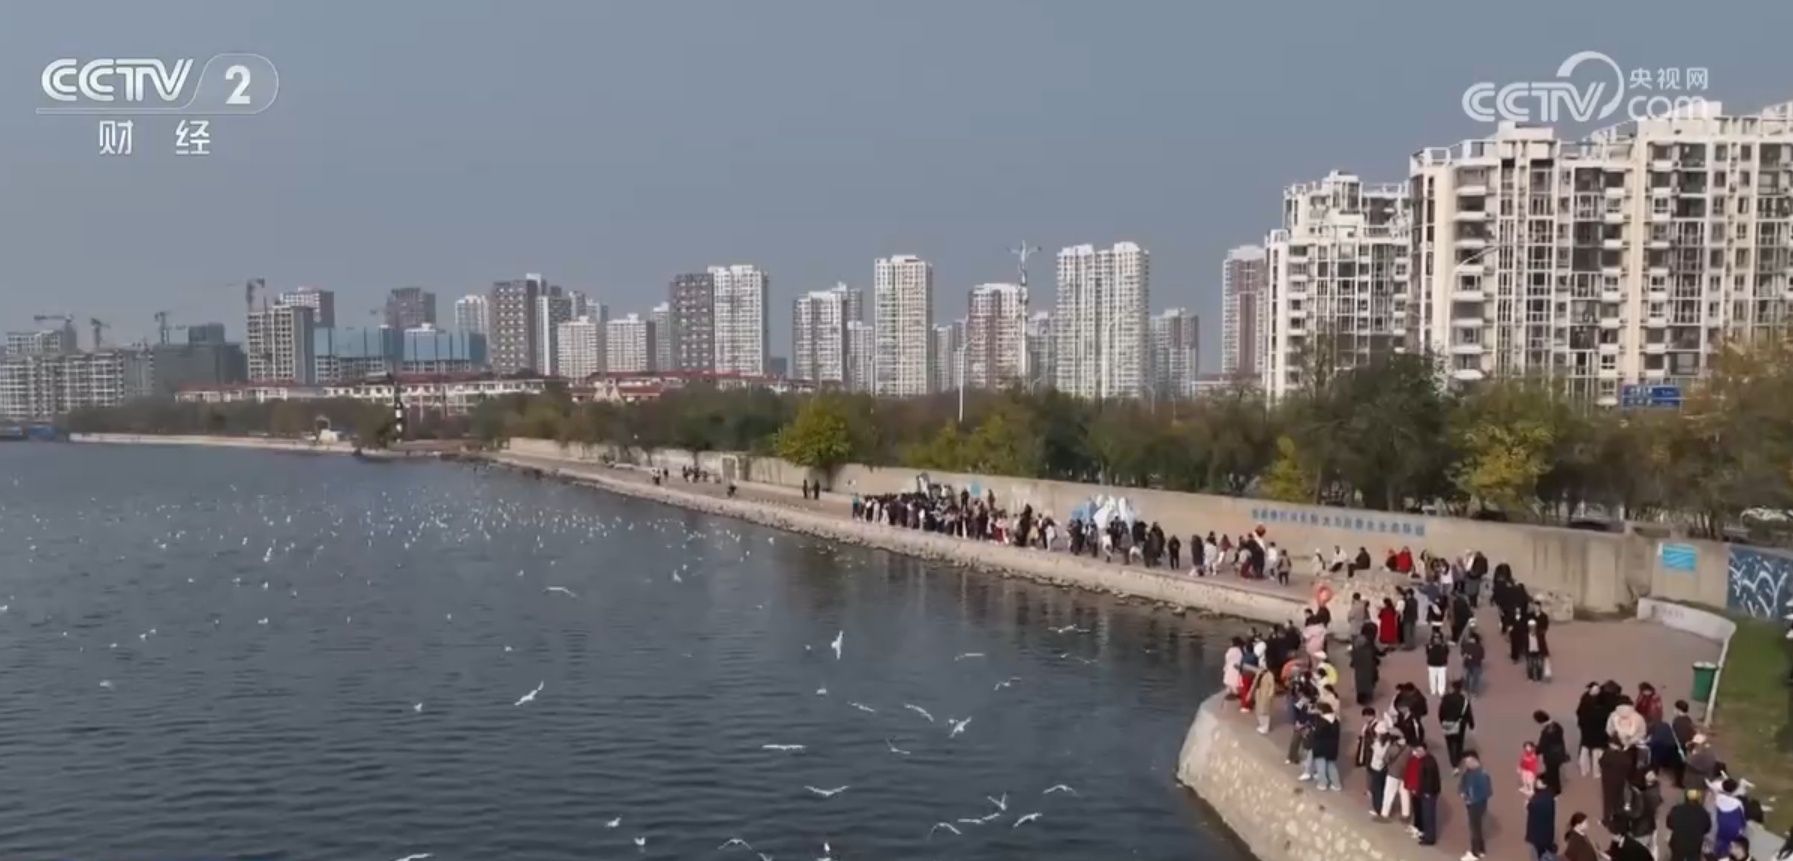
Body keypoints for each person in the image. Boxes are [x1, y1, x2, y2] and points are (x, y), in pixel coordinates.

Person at [1459, 750, 1493, 861]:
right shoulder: (1469, 772)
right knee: (1477, 828)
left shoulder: (1482, 775)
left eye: (1468, 762)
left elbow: (1487, 792)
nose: (1466, 765)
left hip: (1477, 805)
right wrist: (1462, 792)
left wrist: (1472, 799)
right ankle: (1481, 850)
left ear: (1475, 760)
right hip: (1472, 803)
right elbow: (1463, 783)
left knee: (1474, 829)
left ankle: (1475, 853)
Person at [1303, 704, 1343, 791]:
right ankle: (1336, 784)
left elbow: (1318, 733)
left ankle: (1322, 783)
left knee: (1320, 765)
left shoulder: (1322, 721)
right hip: (1332, 747)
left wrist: (1312, 730)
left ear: (1322, 710)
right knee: (1331, 765)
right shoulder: (1335, 720)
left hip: (1321, 746)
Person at [1439, 679, 1475, 772]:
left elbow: (1441, 711)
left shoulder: (1446, 698)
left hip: (1447, 723)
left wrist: (1442, 721)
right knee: (1459, 742)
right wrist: (1471, 724)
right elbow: (1468, 713)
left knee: (1450, 742)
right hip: (1460, 724)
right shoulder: (1464, 700)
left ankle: (1453, 761)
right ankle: (1457, 759)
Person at [1665, 788, 1710, 861]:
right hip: (1695, 845)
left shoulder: (1676, 809)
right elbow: (1707, 828)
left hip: (1677, 843)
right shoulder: (1704, 813)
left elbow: (1669, 824)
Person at [1413, 744, 1444, 846]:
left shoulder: (1428, 762)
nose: (1417, 752)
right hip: (1428, 792)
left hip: (1429, 793)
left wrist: (1426, 792)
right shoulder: (1428, 760)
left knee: (1429, 816)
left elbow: (1429, 779)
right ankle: (1427, 834)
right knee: (1426, 815)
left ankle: (1430, 838)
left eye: (1419, 750)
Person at [1577, 682, 1609, 778]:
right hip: (1598, 732)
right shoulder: (1600, 702)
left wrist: (1582, 725)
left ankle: (1584, 770)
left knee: (1585, 749)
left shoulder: (1585, 699)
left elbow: (1579, 713)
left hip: (1586, 730)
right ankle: (1596, 772)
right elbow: (1604, 716)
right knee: (1597, 752)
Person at [1535, 710, 1570, 795]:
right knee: (1554, 770)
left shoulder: (1546, 732)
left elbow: (1543, 745)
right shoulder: (1557, 725)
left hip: (1551, 756)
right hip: (1559, 752)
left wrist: (1535, 751)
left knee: (1553, 772)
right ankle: (1548, 778)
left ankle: (1555, 790)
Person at [1526, 784, 1560, 861]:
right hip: (1547, 826)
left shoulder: (1535, 802)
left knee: (1540, 847)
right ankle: (1549, 849)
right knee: (1548, 839)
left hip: (1537, 831)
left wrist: (1529, 802)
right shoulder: (1549, 795)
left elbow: (1530, 808)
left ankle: (1542, 856)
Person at [1426, 631, 1452, 697]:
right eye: (1435, 638)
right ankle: (1433, 690)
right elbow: (1428, 653)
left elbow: (1447, 652)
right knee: (1432, 678)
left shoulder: (1444, 646)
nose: (1436, 639)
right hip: (1432, 664)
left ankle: (1441, 691)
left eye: (1438, 638)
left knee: (1442, 679)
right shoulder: (1429, 645)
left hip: (1441, 664)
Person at [1461, 630, 1486, 696]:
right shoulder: (1480, 647)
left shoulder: (1466, 646)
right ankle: (1474, 692)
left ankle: (1466, 690)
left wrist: (1468, 656)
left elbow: (1462, 654)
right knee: (1475, 679)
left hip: (1468, 664)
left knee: (1467, 677)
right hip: (1476, 664)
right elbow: (1482, 656)